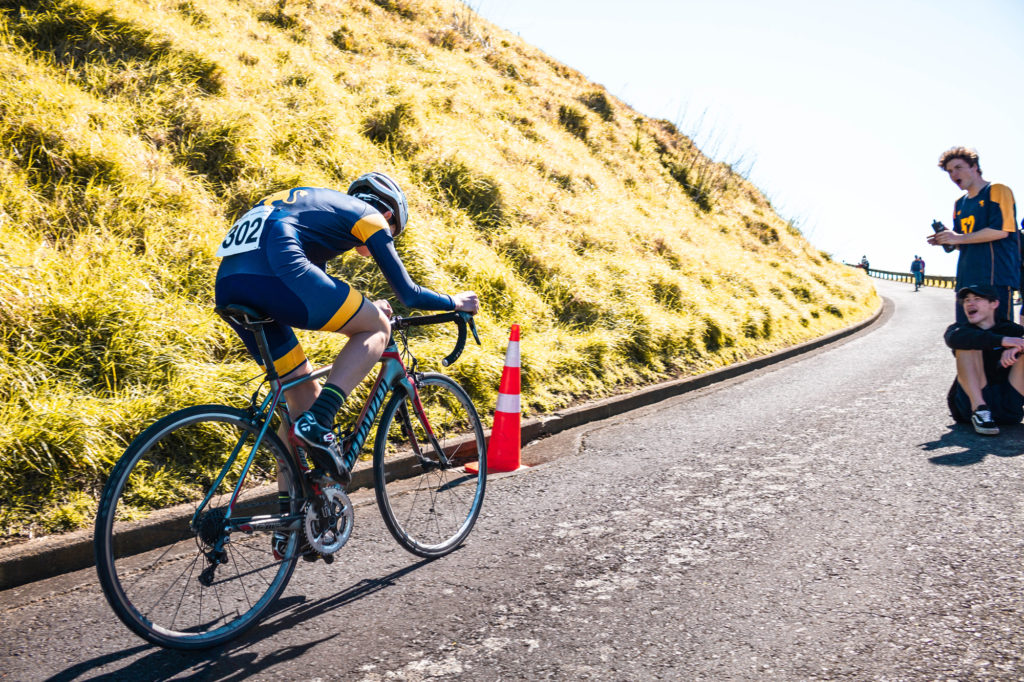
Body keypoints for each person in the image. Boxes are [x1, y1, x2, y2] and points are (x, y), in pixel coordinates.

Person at [214, 174, 480, 486]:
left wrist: (365, 308)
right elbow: (408, 293)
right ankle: (320, 420)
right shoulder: (370, 218)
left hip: (231, 281)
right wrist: (455, 302)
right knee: (377, 327)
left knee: (301, 395)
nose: (386, 238)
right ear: (388, 216)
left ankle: (292, 522)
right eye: (392, 234)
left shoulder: (319, 210)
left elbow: (315, 296)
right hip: (277, 267)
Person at [928, 147, 1020, 324]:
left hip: (995, 278)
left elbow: (1001, 230)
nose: (953, 174)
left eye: (958, 167)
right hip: (966, 280)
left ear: (974, 167)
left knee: (997, 339)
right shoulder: (959, 203)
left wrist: (958, 238)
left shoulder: (997, 190)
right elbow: (963, 241)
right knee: (965, 339)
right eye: (949, 171)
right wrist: (948, 240)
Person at [944, 284, 1024, 436]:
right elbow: (954, 339)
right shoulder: (959, 329)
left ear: (994, 304)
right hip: (970, 406)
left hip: (1009, 406)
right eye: (967, 300)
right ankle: (980, 410)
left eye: (977, 299)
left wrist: (1019, 347)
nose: (970, 303)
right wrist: (1002, 341)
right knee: (967, 345)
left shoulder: (1010, 329)